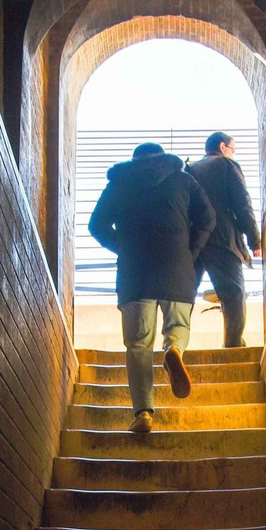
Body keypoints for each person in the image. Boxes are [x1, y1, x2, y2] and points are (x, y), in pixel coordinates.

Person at [89, 142, 215, 432]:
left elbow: (96, 225)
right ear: (163, 157)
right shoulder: (184, 179)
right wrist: (190, 251)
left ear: (134, 160)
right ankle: (173, 351)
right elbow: (208, 217)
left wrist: (125, 248)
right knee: (178, 326)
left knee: (138, 345)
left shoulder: (120, 183)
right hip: (177, 266)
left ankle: (143, 413)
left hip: (136, 273)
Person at [186, 132, 261, 347]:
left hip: (193, 241)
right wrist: (254, 240)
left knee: (185, 295)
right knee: (234, 294)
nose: (233, 154)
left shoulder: (189, 169)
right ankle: (233, 345)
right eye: (233, 149)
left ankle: (175, 344)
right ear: (222, 147)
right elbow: (242, 204)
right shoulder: (228, 166)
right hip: (222, 238)